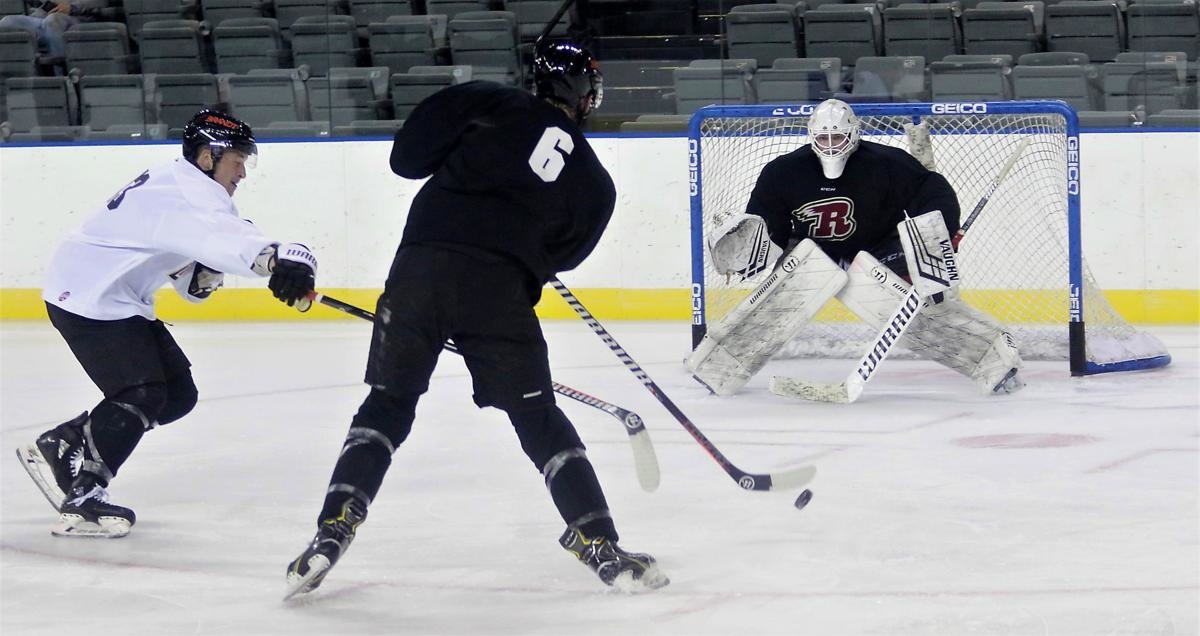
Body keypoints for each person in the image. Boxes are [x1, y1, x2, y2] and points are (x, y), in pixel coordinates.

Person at [283, 41, 668, 599]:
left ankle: (332, 527)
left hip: (421, 271)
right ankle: (599, 541)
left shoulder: (485, 100)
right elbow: (563, 255)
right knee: (538, 417)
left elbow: (406, 158)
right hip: (500, 290)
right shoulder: (595, 181)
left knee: (388, 403)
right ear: (584, 94)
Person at [16, 109, 319, 539]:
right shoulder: (186, 193)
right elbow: (230, 239)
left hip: (114, 296)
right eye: (237, 161)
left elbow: (191, 276)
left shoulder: (182, 185)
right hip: (87, 295)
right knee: (141, 392)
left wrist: (206, 270)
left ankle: (67, 440)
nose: (243, 174)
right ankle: (84, 496)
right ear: (206, 157)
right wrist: (285, 257)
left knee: (177, 396)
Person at [687, 98, 1023, 397]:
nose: (831, 145)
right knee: (789, 286)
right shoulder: (782, 172)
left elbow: (934, 191)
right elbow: (769, 228)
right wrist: (755, 249)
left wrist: (937, 233)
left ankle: (992, 356)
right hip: (813, 252)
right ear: (811, 136)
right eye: (823, 137)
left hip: (879, 248)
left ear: (854, 134)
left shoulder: (886, 162)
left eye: (838, 137)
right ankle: (721, 364)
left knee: (906, 300)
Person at [0, 0, 109, 60]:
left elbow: (100, 2)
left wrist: (73, 7)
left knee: (53, 20)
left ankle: (62, 75)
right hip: (42, 18)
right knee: (8, 22)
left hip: (76, 18)